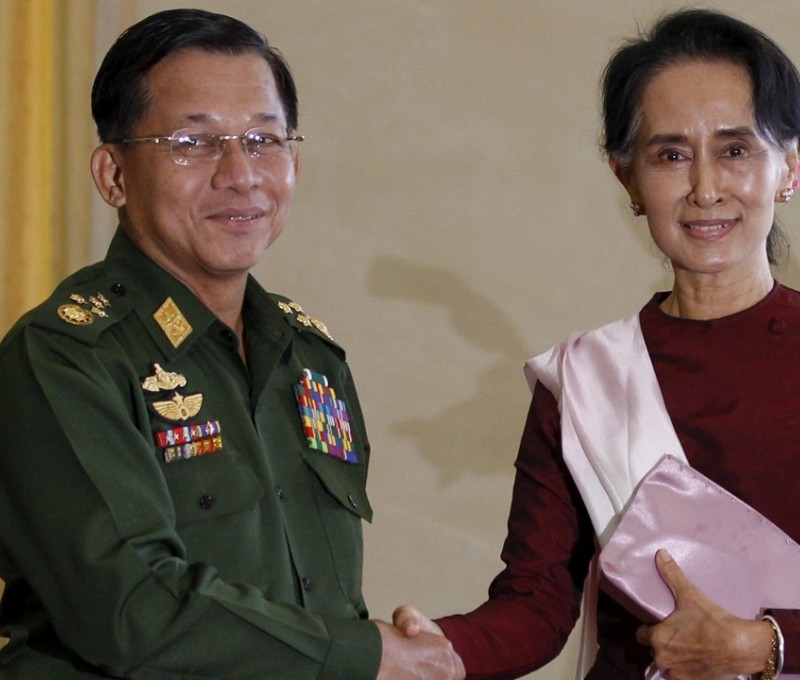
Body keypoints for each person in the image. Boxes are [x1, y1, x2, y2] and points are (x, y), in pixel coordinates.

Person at [394, 9, 800, 679]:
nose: (705, 188)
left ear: (788, 168)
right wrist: (432, 650)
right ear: (628, 179)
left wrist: (764, 644)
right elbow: (535, 607)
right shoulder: (585, 379)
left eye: (735, 150)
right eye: (670, 155)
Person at [0, 9, 463, 680]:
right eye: (193, 142)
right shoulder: (64, 357)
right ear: (113, 175)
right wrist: (364, 654)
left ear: (294, 162)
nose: (240, 173)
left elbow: (311, 603)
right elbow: (130, 607)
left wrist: (384, 646)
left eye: (263, 140)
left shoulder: (310, 358)